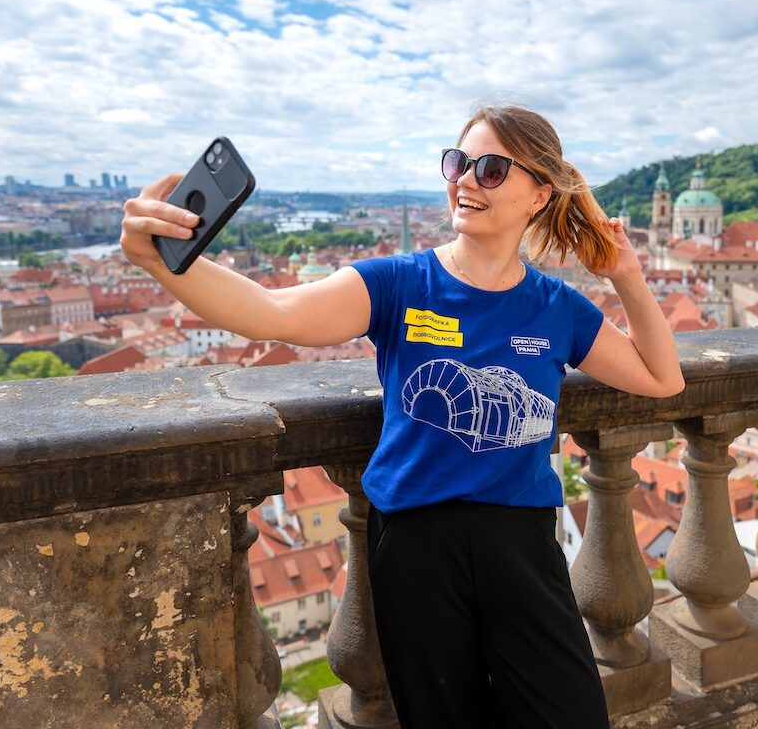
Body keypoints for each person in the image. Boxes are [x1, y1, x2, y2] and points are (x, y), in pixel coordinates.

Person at [121, 104, 684, 728]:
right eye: (458, 162)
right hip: (417, 542)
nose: (466, 179)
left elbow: (662, 378)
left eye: (491, 169)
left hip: (521, 540)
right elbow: (273, 313)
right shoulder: (399, 283)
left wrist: (626, 275)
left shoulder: (557, 306)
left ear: (538, 195)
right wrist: (164, 262)